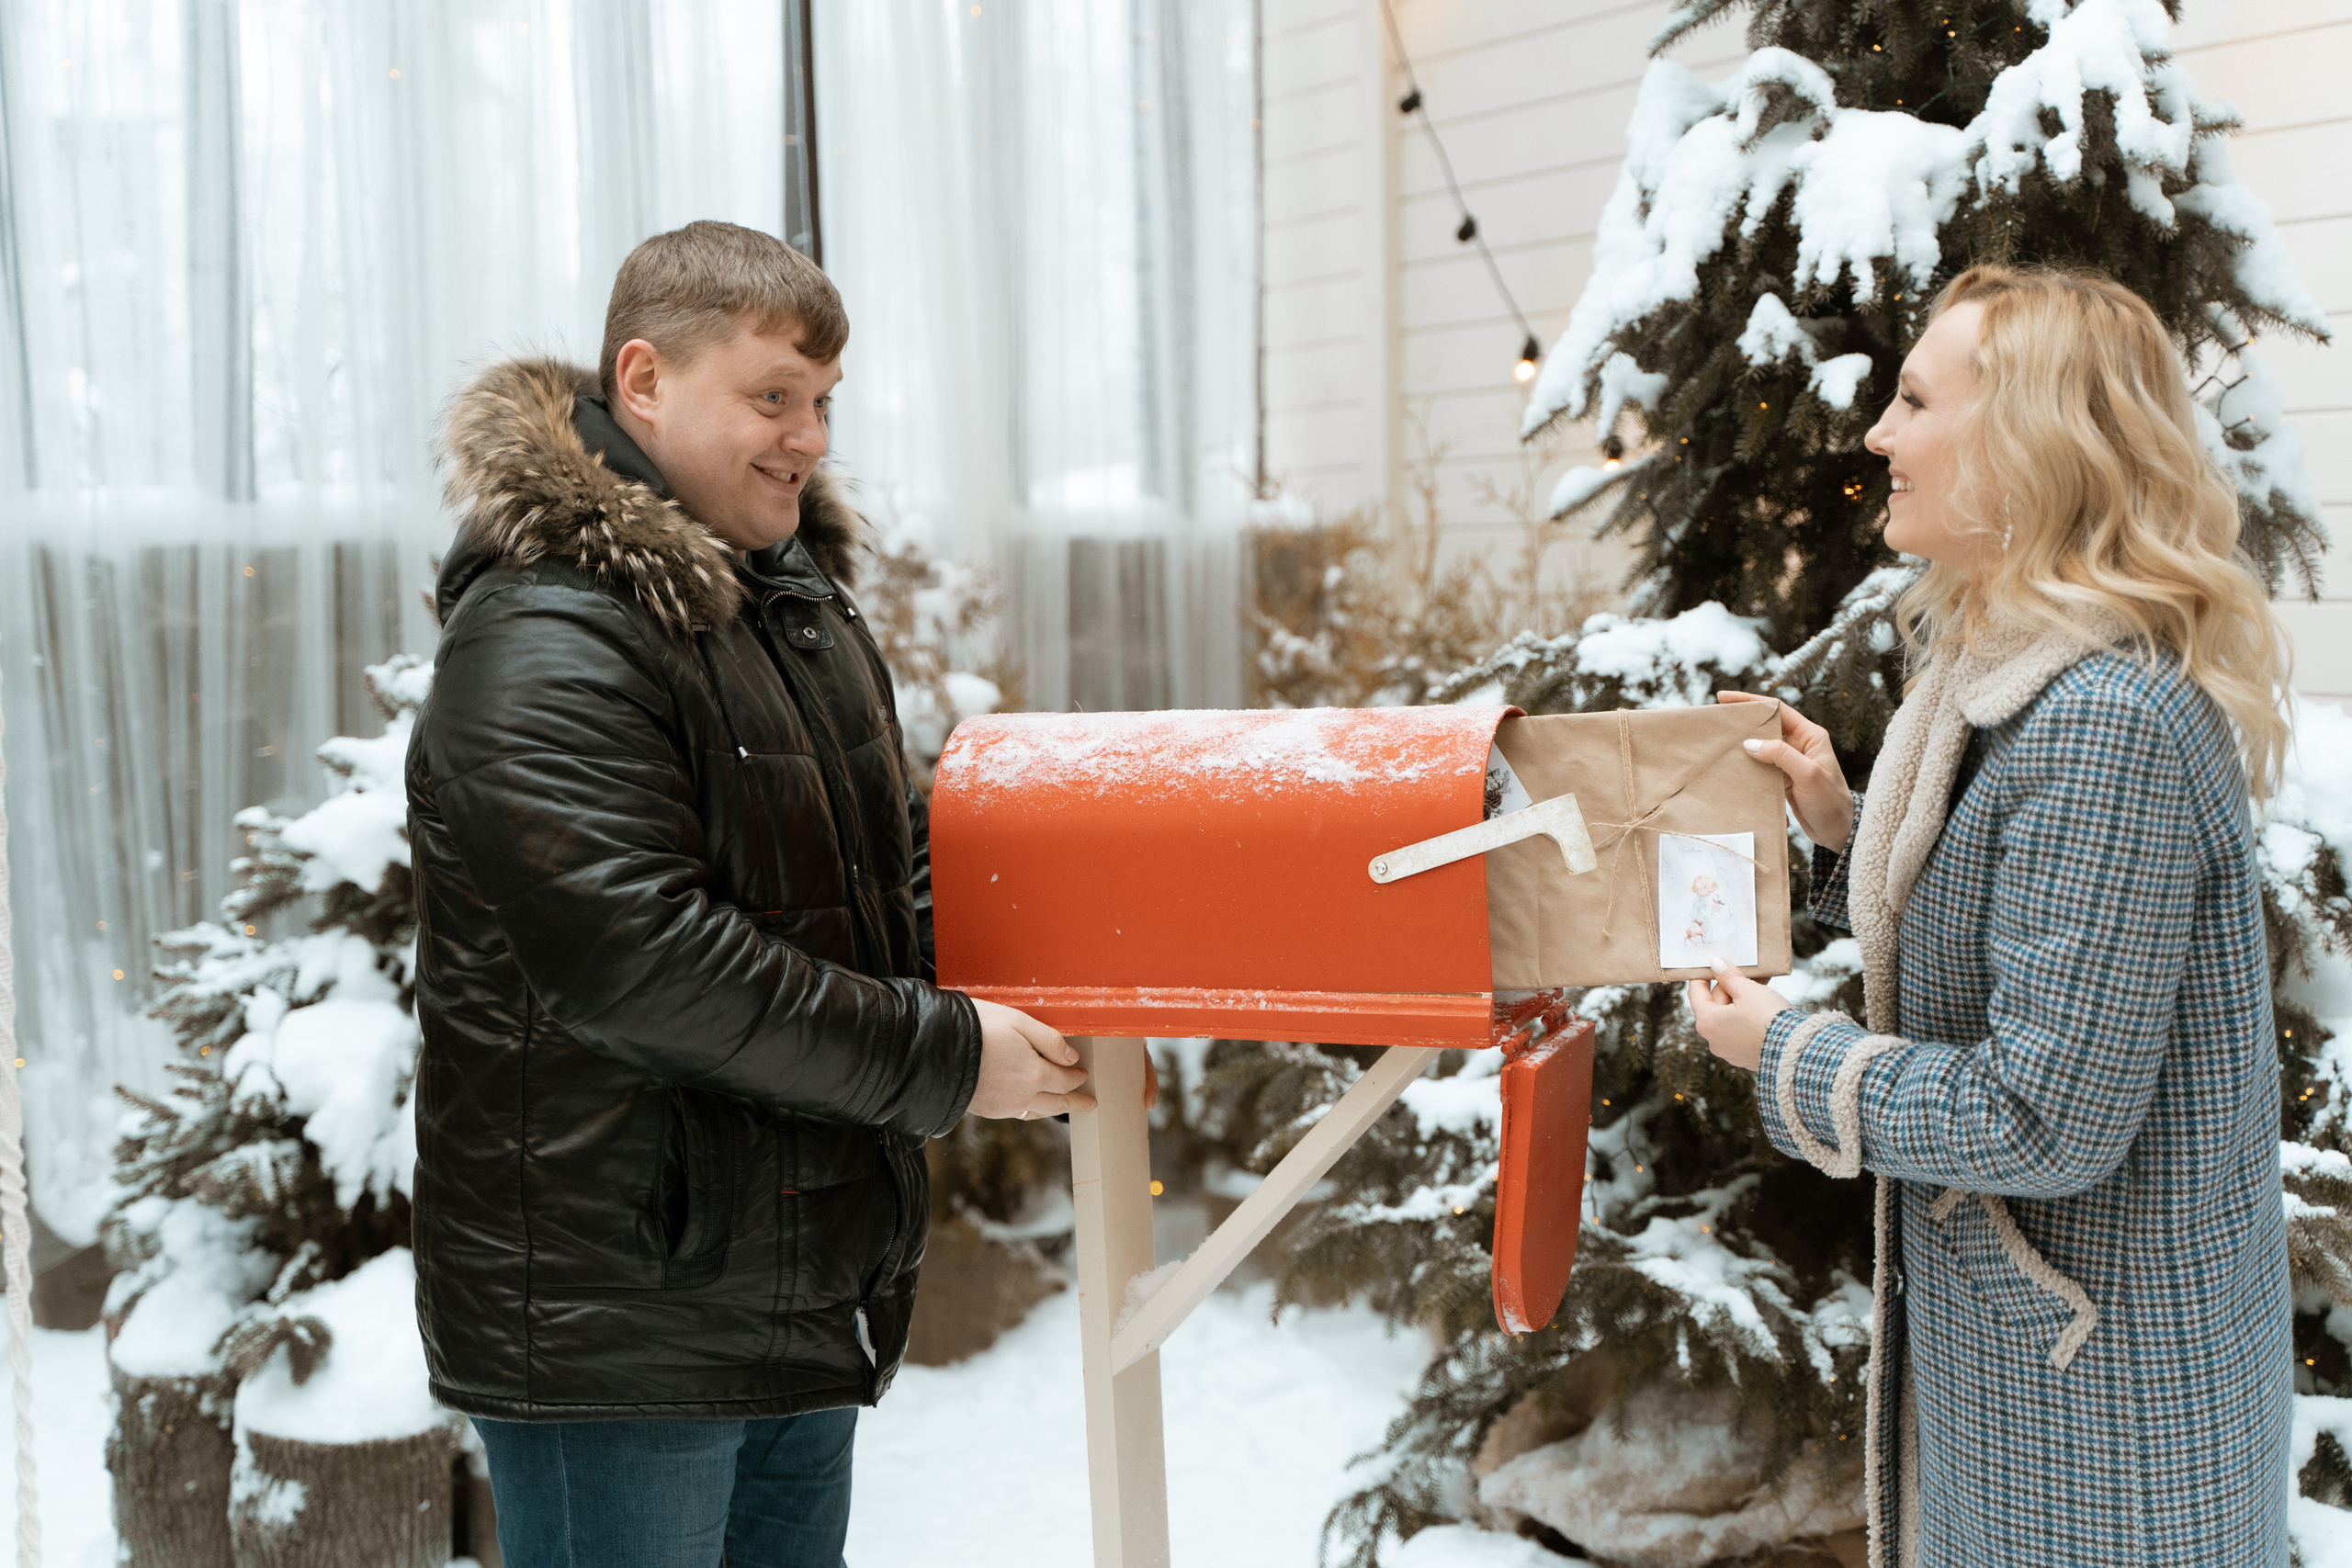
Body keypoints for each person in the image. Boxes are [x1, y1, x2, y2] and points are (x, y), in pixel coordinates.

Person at [407, 220, 1125, 1568]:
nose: (808, 438)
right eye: (772, 397)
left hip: (787, 1292)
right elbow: (643, 962)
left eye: (823, 404)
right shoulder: (545, 630)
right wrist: (951, 1055)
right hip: (618, 1327)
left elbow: (870, 882)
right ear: (643, 380)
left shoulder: (785, 610)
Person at [1688, 265, 2292, 1566]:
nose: (1877, 436)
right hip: (2044, 1372)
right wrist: (1841, 825)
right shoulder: (2000, 671)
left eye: (1914, 401)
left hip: (2113, 1420)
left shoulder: (2105, 727)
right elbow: (2012, 930)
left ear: (2027, 443)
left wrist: (1787, 1056)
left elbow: (2044, 1115)